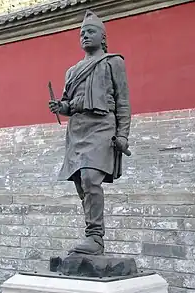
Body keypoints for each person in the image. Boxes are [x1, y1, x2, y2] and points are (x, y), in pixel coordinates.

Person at [49, 10, 131, 255]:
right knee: (80, 181)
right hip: (77, 131)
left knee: (90, 177)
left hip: (102, 127)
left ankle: (95, 237)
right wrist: (59, 107)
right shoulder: (72, 71)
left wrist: (124, 134)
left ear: (102, 37)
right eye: (82, 33)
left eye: (90, 32)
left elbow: (123, 101)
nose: (85, 36)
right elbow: (67, 103)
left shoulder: (113, 62)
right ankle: (92, 234)